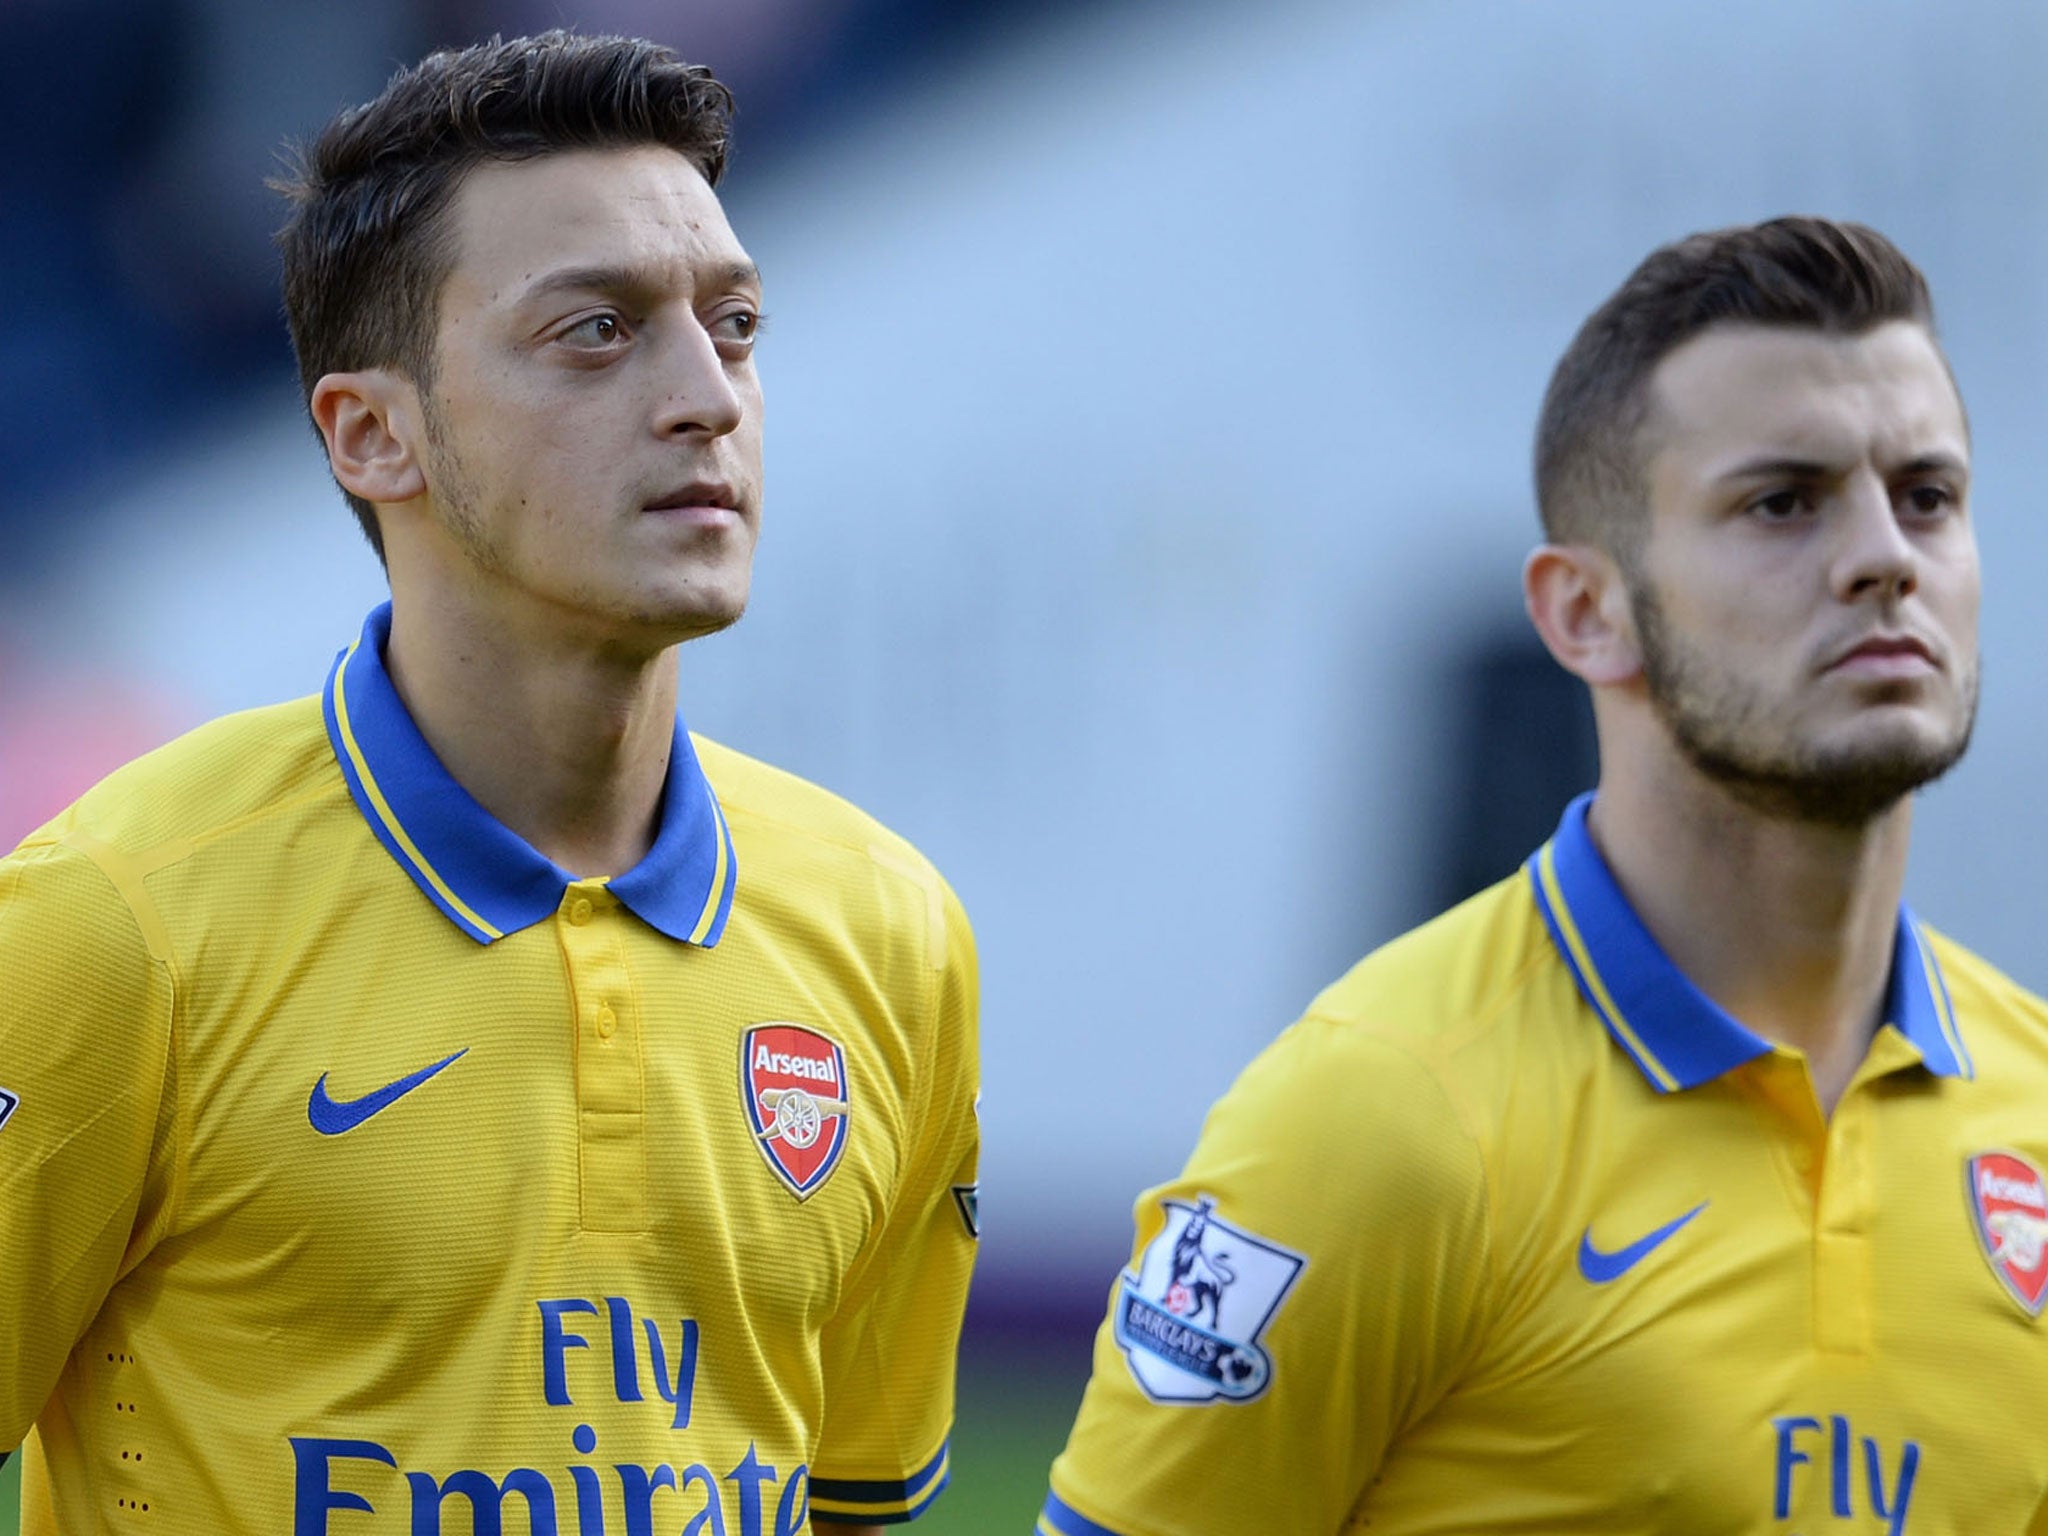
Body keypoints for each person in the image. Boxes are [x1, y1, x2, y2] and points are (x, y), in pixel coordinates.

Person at [0, 32, 978, 1536]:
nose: (706, 396)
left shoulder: (893, 932)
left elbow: (855, 1498)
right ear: (373, 434)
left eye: (735, 326)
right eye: (595, 331)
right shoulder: (113, 925)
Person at [1037, 217, 2048, 1534]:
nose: (1884, 557)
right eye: (1783, 501)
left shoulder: (2029, 1109)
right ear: (1585, 611)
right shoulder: (1382, 1116)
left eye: (1928, 496)